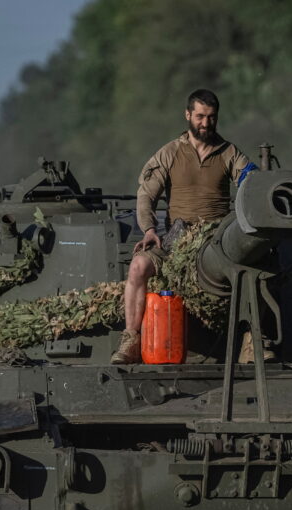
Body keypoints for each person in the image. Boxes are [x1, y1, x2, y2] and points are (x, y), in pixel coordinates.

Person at [111, 88, 254, 365]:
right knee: (139, 266)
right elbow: (146, 195)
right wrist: (150, 229)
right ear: (188, 115)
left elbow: (251, 186)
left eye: (211, 117)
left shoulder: (230, 153)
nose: (205, 123)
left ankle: (254, 343)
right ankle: (130, 339)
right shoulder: (170, 153)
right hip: (176, 242)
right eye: (200, 116)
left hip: (217, 242)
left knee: (254, 269)